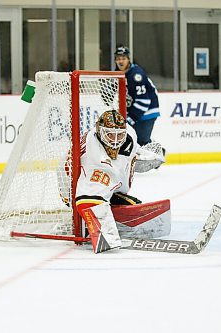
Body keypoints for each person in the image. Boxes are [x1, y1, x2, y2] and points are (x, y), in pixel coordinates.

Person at [58, 110, 142, 253]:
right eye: (110, 135)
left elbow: (129, 153)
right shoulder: (94, 155)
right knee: (92, 200)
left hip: (97, 184)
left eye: (119, 135)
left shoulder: (129, 136)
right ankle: (82, 223)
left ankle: (108, 209)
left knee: (132, 203)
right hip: (71, 189)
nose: (115, 141)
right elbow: (87, 199)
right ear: (100, 132)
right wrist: (106, 235)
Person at [114, 46, 160, 146]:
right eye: (118, 59)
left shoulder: (136, 75)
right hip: (135, 112)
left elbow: (144, 101)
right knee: (133, 143)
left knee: (141, 142)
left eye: (123, 58)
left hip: (147, 112)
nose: (120, 61)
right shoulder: (117, 74)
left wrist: (130, 119)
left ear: (128, 59)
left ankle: (157, 155)